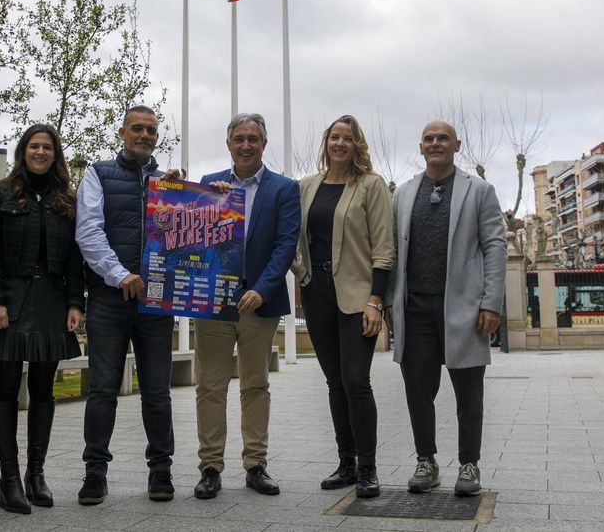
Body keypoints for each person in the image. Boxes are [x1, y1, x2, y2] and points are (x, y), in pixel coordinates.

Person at [384, 120, 505, 497]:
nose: (435, 144)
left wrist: (491, 302)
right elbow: (391, 250)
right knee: (418, 391)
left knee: (469, 393)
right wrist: (390, 301)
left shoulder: (479, 190)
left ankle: (469, 464)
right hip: (414, 308)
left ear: (457, 146)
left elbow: (495, 246)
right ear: (420, 148)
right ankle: (427, 461)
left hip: (464, 307)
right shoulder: (403, 194)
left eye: (443, 139)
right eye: (429, 139)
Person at [0, 124, 84, 513]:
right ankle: (9, 479)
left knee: (44, 391)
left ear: (55, 153)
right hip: (9, 305)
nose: (40, 152)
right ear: (23, 151)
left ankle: (37, 475)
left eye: (47, 147)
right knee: (4, 391)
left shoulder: (66, 198)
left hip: (52, 303)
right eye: (34, 146)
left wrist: (75, 302)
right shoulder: (0, 193)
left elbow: (73, 257)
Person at [192, 113, 300, 500]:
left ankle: (256, 465)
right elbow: (190, 238)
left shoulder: (284, 189)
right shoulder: (208, 185)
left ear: (263, 144)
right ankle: (210, 468)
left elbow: (285, 244)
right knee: (210, 387)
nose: (246, 145)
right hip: (215, 305)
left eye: (253, 138)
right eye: (239, 138)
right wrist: (210, 204)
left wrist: (263, 289)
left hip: (258, 304)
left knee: (255, 385)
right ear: (229, 144)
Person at [74, 105, 175, 505]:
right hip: (109, 299)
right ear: (122, 132)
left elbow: (192, 234)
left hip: (155, 304)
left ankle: (161, 472)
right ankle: (94, 474)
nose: (145, 135)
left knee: (158, 393)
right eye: (138, 129)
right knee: (102, 392)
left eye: (152, 130)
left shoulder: (170, 183)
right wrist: (119, 275)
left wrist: (205, 199)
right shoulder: (98, 174)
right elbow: (88, 231)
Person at [294, 114, 394, 499]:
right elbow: (286, 227)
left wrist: (375, 301)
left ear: (357, 145)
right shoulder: (306, 186)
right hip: (315, 293)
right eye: (334, 137)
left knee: (356, 380)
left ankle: (368, 467)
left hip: (357, 298)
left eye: (347, 139)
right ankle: (346, 463)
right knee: (335, 382)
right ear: (326, 142)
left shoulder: (371, 186)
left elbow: (384, 249)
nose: (340, 144)